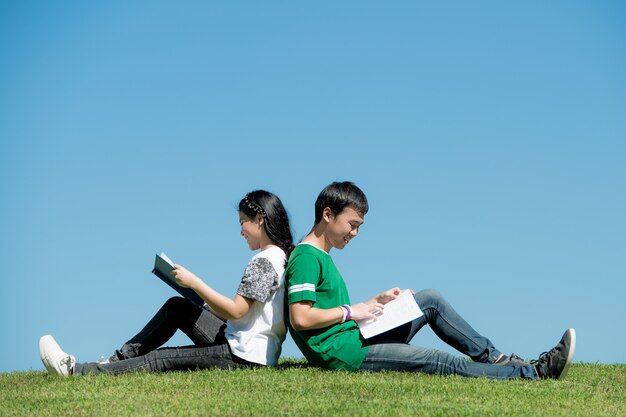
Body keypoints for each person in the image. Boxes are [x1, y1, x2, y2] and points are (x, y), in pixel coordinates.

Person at [285, 181, 576, 380]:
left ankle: (498, 360)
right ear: (327, 214)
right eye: (352, 225)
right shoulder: (306, 257)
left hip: (354, 337)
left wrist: (376, 301)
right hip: (348, 355)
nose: (355, 234)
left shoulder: (320, 257)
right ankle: (534, 373)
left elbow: (327, 310)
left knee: (429, 300)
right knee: (440, 361)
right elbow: (300, 317)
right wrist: (352, 311)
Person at [40, 190, 294, 376]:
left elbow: (238, 310)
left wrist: (195, 283)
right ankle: (115, 360)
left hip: (243, 355)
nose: (241, 231)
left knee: (160, 359)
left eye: (242, 223)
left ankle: (75, 371)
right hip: (249, 348)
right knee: (178, 307)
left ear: (259, 219)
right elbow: (245, 315)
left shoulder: (264, 261)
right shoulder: (277, 258)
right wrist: (202, 302)